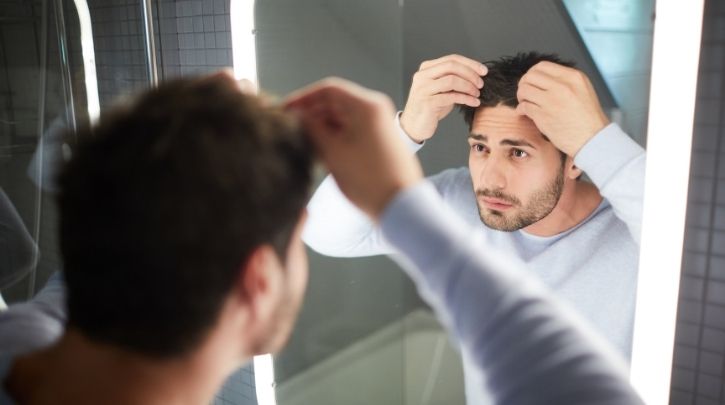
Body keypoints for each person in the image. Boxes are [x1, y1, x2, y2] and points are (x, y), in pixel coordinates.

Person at [0, 72, 643, 404]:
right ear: (257, 283)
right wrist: (397, 187)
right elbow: (576, 385)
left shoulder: (20, 336)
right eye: (481, 148)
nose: (492, 172)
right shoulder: (454, 198)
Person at [302, 52, 645, 403]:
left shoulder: (636, 231)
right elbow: (324, 233)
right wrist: (403, 132)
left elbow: (690, 250)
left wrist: (598, 139)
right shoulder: (460, 202)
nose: (490, 179)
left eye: (517, 153)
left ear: (575, 161)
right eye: (481, 148)